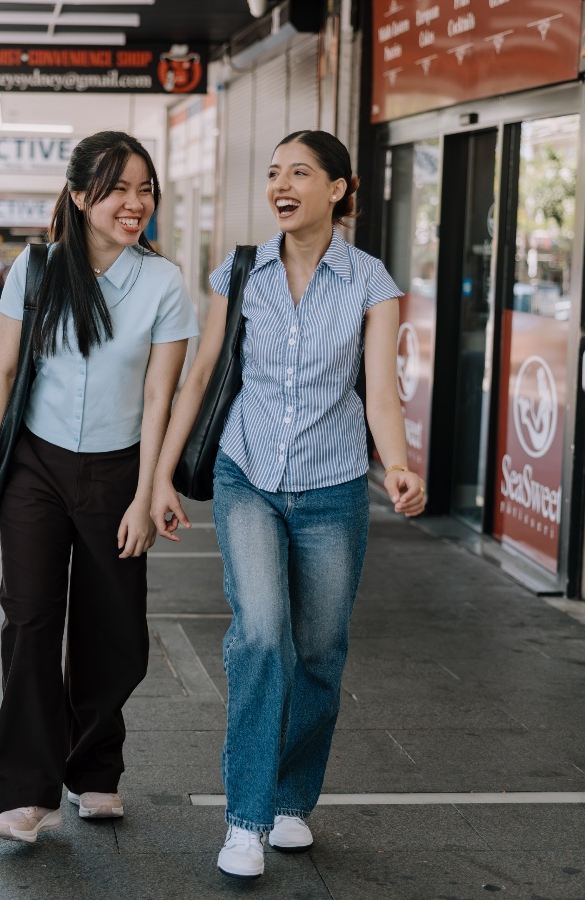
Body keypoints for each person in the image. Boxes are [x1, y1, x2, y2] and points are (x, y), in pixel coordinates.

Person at [149, 131, 427, 879]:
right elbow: (202, 372)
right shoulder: (241, 273)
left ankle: (290, 802)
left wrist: (397, 467)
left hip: (333, 486)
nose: (282, 184)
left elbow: (379, 391)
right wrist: (162, 477)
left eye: (300, 172)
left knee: (319, 650)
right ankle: (244, 820)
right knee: (262, 635)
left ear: (338, 189)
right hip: (248, 475)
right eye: (274, 173)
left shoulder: (372, 283)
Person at [0, 131, 200, 844]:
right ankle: (26, 792)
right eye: (119, 188)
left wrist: (149, 491)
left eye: (145, 188)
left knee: (113, 631)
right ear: (79, 193)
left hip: (119, 470)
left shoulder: (163, 282)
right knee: (30, 618)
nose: (135, 202)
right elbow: (1, 375)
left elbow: (160, 398)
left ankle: (95, 765)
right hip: (34, 466)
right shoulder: (35, 271)